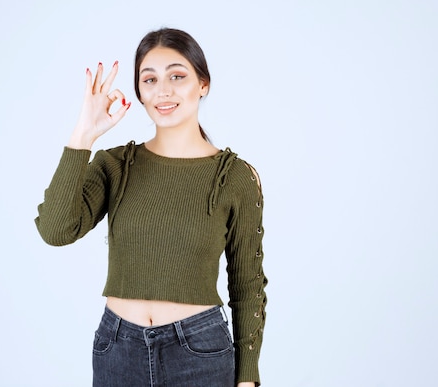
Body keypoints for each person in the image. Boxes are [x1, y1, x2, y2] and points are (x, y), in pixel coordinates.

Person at [35, 28, 267, 387]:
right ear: (139, 92)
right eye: (150, 79)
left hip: (200, 352)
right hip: (118, 349)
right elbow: (55, 230)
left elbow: (247, 283)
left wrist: (248, 377)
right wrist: (84, 134)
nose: (163, 90)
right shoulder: (115, 165)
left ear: (203, 84)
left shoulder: (234, 177)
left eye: (178, 76)